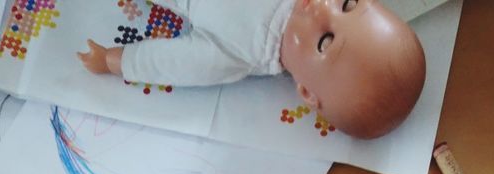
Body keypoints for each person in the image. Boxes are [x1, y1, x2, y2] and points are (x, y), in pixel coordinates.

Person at [77, 0, 426, 139]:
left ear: (305, 91)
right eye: (347, 3)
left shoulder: (241, 51)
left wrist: (116, 60)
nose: (323, 7)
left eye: (325, 40)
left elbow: (176, 62)